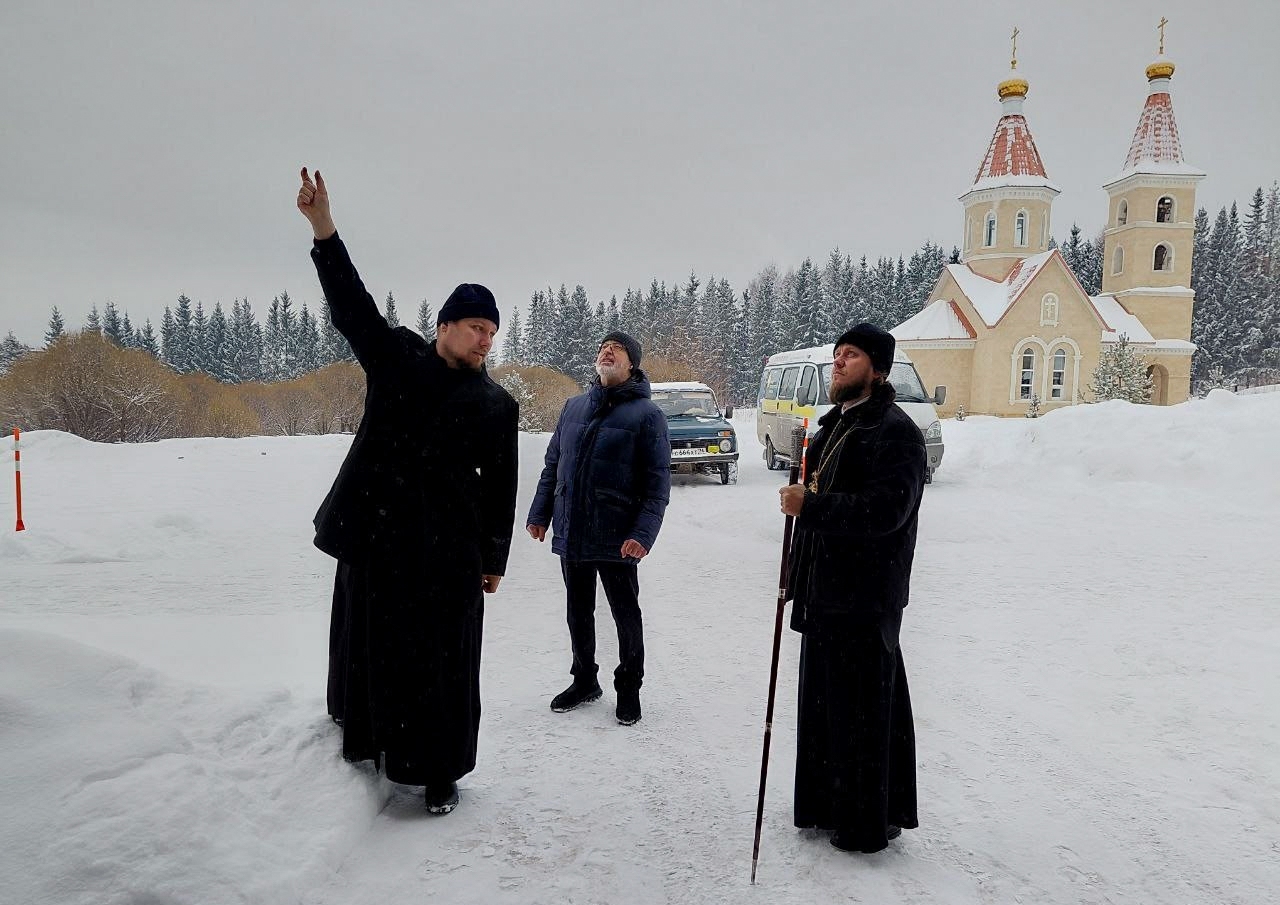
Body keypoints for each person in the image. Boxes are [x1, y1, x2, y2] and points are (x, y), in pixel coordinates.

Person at [296, 167, 518, 815]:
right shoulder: (396, 358)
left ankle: (441, 771)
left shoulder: (494, 403)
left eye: (492, 331)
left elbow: (501, 485)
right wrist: (323, 229)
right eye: (476, 325)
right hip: (378, 534)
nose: (485, 339)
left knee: (446, 664)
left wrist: (493, 556)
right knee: (370, 648)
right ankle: (368, 747)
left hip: (446, 552)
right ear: (445, 325)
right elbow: (351, 307)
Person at [778, 322, 925, 854]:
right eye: (837, 354)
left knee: (863, 712)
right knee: (823, 706)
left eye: (853, 355)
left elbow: (888, 512)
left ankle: (868, 820)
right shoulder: (833, 427)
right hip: (824, 594)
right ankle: (825, 806)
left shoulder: (895, 432)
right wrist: (796, 575)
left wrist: (810, 505)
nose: (838, 362)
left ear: (878, 369)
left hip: (866, 597)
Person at [526, 332, 670, 726]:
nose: (608, 352)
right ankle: (584, 680)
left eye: (618, 349)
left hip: (618, 536)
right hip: (572, 530)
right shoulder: (573, 407)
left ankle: (629, 687)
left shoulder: (646, 415)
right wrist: (540, 514)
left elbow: (657, 485)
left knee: (625, 615)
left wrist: (641, 535)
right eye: (604, 347)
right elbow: (553, 465)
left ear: (632, 365)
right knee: (578, 611)